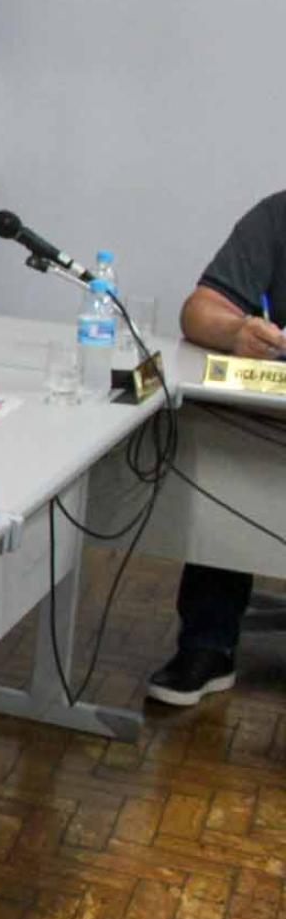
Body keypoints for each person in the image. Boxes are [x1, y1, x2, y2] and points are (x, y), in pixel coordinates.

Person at [146, 189, 286, 706]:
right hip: (272, 423)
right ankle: (208, 644)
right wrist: (236, 332)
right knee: (228, 469)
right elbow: (201, 311)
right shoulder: (278, 215)